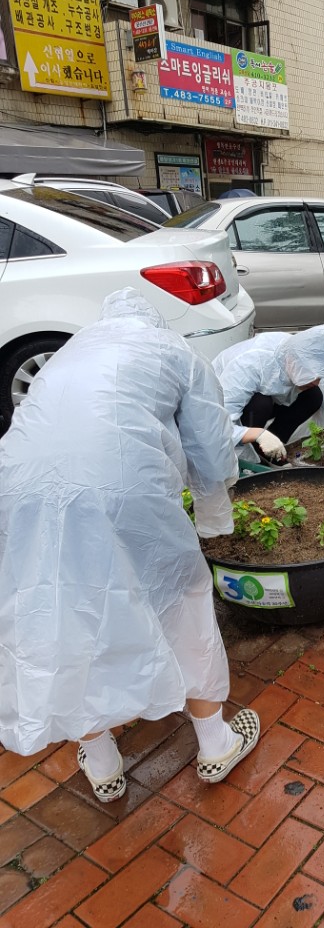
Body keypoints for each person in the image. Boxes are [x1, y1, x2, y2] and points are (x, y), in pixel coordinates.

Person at [0, 288, 260, 803]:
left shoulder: (70, 352)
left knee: (61, 610)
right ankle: (215, 742)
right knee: (181, 598)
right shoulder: (175, 352)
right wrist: (212, 519)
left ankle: (101, 761)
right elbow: (209, 447)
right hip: (122, 489)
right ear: (155, 322)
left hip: (18, 489)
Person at [213, 323, 324, 466]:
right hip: (224, 407)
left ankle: (273, 447)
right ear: (293, 362)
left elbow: (323, 382)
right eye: (312, 376)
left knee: (314, 395)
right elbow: (220, 426)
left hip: (266, 400)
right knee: (261, 403)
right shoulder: (247, 364)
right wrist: (257, 435)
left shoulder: (302, 353)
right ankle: (253, 455)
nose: (316, 381)